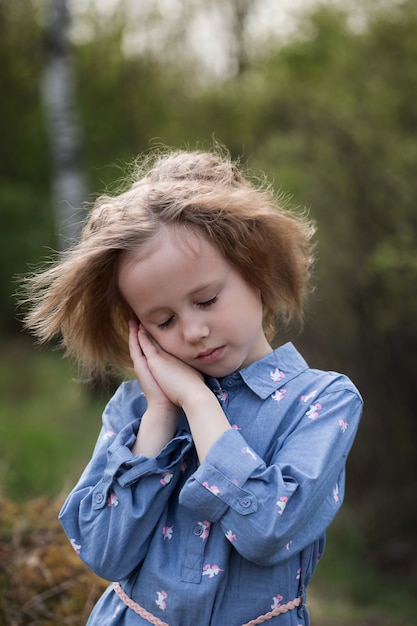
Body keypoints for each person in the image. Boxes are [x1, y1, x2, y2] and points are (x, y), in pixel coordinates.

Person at [23, 148, 362, 626]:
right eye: (163, 321)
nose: (192, 331)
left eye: (206, 300)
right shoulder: (135, 411)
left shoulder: (323, 402)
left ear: (256, 269)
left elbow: (268, 529)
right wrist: (162, 413)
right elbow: (103, 553)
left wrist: (200, 404)